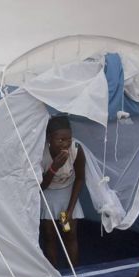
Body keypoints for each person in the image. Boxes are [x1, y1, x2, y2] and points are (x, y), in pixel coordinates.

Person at [40, 115, 86, 268]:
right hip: (49, 197)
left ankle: (74, 272)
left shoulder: (76, 149)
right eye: (60, 140)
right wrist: (54, 168)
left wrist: (70, 210)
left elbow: (80, 178)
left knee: (69, 233)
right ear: (49, 139)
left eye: (69, 139)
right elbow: (41, 186)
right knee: (50, 236)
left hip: (68, 197)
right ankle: (53, 272)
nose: (65, 144)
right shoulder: (41, 154)